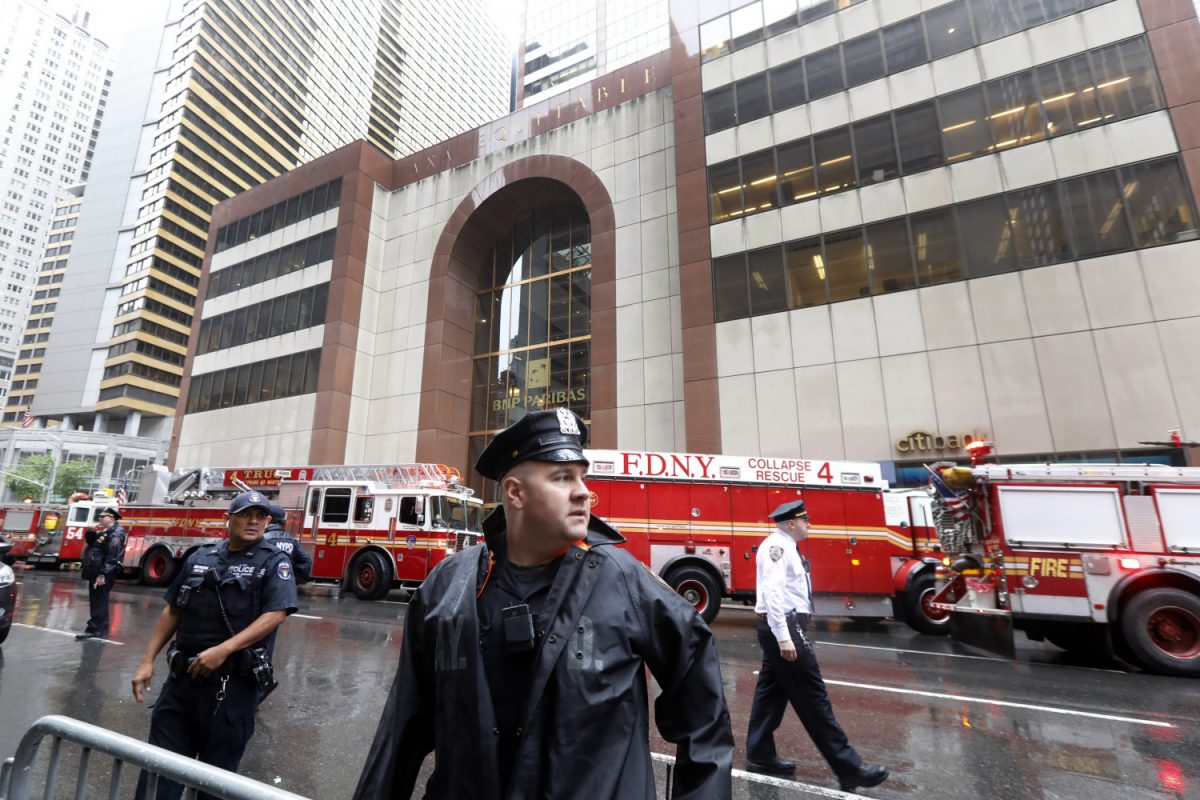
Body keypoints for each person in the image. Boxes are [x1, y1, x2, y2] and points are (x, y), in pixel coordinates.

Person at [353, 408, 734, 800]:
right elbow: (402, 728)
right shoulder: (447, 588)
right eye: (562, 477)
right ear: (516, 493)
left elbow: (702, 714)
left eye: (582, 476)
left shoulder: (623, 580)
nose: (583, 491)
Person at [130, 490, 298, 800]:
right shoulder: (200, 556)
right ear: (228, 519)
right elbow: (173, 610)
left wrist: (224, 649)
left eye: (261, 516)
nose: (254, 521)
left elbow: (276, 614)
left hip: (231, 691)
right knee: (157, 778)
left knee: (214, 786)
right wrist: (147, 660)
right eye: (246, 514)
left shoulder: (274, 562)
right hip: (181, 684)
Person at [745, 499, 889, 792]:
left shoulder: (785, 545)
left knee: (771, 693)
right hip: (785, 627)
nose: (809, 524)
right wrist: (784, 636)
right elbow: (772, 593)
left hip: (783, 626)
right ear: (790, 523)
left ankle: (760, 754)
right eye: (805, 519)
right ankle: (849, 768)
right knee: (813, 696)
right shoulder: (778, 547)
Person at [76, 506, 126, 641]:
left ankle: (96, 629)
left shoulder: (116, 533)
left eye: (102, 517)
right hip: (99, 570)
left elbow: (113, 555)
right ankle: (100, 628)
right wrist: (91, 533)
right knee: (98, 600)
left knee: (99, 600)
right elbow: (94, 545)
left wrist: (102, 574)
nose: (100, 519)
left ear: (111, 518)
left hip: (104, 572)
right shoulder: (107, 531)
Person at [264, 502, 312, 583]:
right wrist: (294, 579)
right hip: (285, 583)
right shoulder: (292, 541)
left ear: (268, 519)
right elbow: (306, 560)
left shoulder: (263, 539)